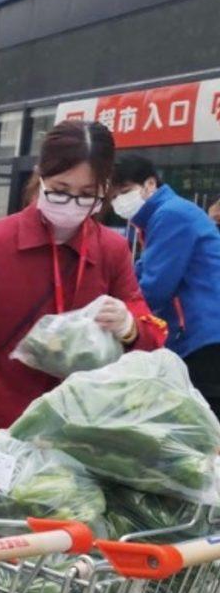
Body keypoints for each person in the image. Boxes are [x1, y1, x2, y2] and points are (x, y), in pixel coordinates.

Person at [0, 121, 164, 435]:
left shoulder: (111, 249)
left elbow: (149, 330)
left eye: (87, 194)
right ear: (40, 176)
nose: (73, 203)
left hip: (78, 428)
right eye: (60, 190)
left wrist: (129, 327)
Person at [111, 155, 220, 416]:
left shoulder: (171, 214)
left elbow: (155, 287)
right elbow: (141, 272)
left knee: (201, 425)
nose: (118, 202)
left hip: (204, 336)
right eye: (113, 196)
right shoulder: (161, 215)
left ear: (150, 184)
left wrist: (119, 312)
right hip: (200, 333)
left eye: (125, 192)